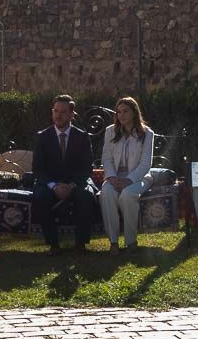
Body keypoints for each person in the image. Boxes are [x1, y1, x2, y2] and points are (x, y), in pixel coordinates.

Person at [32, 94, 96, 255]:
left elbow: (86, 168)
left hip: (75, 183)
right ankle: (53, 245)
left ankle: (80, 244)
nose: (58, 115)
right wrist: (54, 186)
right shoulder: (42, 137)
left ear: (72, 115)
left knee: (87, 196)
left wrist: (72, 186)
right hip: (50, 183)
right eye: (55, 111)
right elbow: (38, 169)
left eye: (63, 112)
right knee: (41, 197)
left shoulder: (82, 137)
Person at [99, 97, 155, 255]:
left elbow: (145, 164)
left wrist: (128, 180)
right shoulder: (111, 131)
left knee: (127, 195)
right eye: (118, 112)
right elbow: (107, 158)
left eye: (125, 111)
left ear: (134, 113)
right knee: (107, 193)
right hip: (114, 176)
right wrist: (111, 177)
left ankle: (131, 240)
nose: (121, 115)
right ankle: (113, 241)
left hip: (138, 177)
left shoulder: (147, 133)